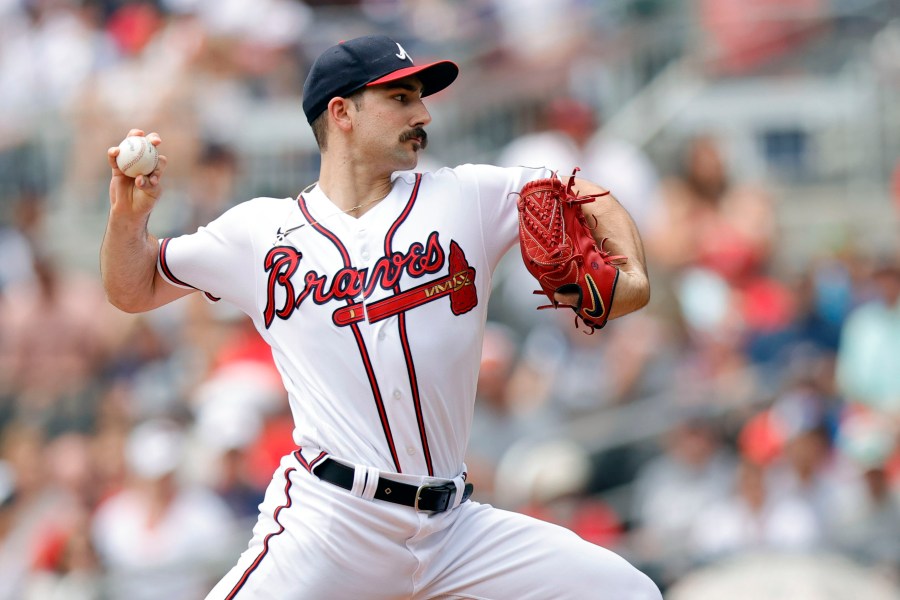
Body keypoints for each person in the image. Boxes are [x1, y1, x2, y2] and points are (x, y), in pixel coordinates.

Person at [100, 34, 658, 599]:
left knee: (629, 592)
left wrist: (631, 274)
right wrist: (127, 218)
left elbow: (575, 190)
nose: (422, 113)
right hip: (333, 523)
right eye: (400, 97)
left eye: (419, 97)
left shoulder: (463, 196)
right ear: (341, 112)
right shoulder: (258, 232)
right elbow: (133, 288)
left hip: (454, 529)